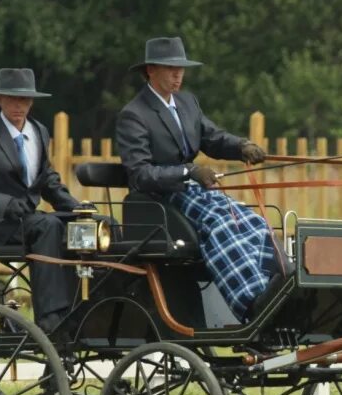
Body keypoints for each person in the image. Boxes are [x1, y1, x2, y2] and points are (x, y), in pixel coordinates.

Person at [115, 36, 278, 320]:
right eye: (170, 68)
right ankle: (250, 302)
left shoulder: (187, 103)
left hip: (192, 193)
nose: (178, 75)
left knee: (250, 221)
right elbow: (140, 174)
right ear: (150, 70)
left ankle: (273, 290)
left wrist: (241, 147)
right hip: (161, 198)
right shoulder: (134, 115)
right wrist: (188, 171)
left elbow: (212, 138)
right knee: (220, 223)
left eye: (181, 68)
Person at [0, 68, 82, 333]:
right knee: (49, 227)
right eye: (12, 99)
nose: (19, 105)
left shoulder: (39, 132)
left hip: (31, 224)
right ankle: (51, 319)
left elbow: (47, 181)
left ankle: (80, 311)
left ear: (32, 101)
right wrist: (4, 203)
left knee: (84, 228)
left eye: (25, 100)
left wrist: (77, 208)